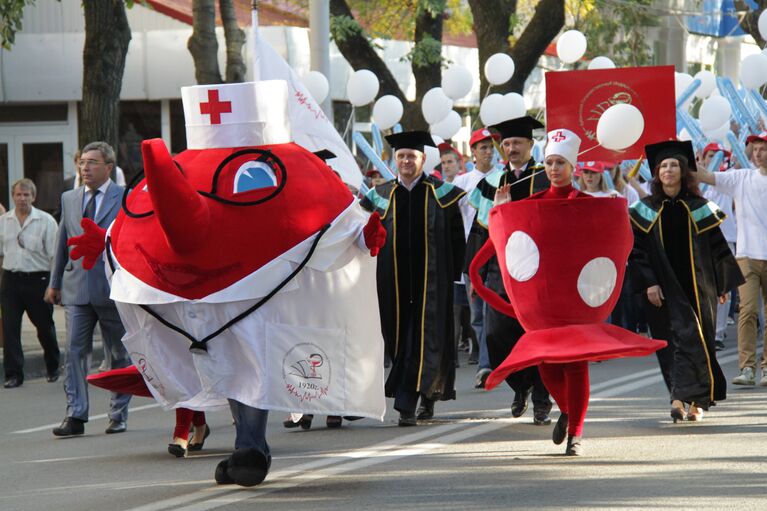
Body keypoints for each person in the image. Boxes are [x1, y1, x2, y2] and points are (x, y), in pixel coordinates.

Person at [480, 128, 666, 455]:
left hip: (579, 306)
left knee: (576, 366)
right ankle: (565, 409)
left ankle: (576, 434)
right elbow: (505, 242)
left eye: (560, 163)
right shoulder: (532, 204)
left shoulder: (590, 205)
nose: (554, 169)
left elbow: (618, 236)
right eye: (550, 162)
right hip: (545, 308)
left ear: (573, 168)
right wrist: (502, 210)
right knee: (547, 365)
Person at [629, 140, 743, 422]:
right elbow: (636, 252)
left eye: (674, 165)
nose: (668, 170)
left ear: (683, 171)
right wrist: (649, 283)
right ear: (657, 173)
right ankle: (679, 396)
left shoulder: (700, 206)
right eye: (663, 166)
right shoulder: (645, 209)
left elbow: (718, 246)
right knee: (671, 342)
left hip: (699, 285)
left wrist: (722, 284)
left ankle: (695, 402)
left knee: (696, 340)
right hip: (662, 288)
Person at [360, 130, 466, 426]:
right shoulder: (379, 197)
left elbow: (457, 238)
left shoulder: (441, 194)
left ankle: (407, 403)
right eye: (401, 156)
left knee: (424, 338)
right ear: (395, 160)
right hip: (391, 283)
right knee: (400, 340)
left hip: (432, 282)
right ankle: (427, 395)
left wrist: (456, 275)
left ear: (423, 159)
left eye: (412, 156)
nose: (406, 160)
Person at [465, 116, 553, 425]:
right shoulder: (490, 183)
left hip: (540, 272)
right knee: (496, 335)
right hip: (500, 271)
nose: (511, 148)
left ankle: (542, 397)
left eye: (517, 143)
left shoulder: (547, 177)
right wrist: (473, 275)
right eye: (506, 144)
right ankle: (521, 384)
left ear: (531, 145)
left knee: (538, 336)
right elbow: (479, 232)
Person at [46, 141, 132, 437]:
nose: (85, 167)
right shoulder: (69, 198)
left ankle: (118, 414)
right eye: (82, 162)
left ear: (109, 167)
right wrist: (54, 283)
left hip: (112, 288)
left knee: (119, 353)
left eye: (92, 162)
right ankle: (75, 415)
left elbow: (132, 242)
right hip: (77, 288)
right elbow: (62, 242)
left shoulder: (125, 197)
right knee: (74, 352)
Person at [696, 132, 767, 386]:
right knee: (747, 311)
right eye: (755, 149)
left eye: (763, 149)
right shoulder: (741, 178)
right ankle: (747, 368)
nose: (758, 153)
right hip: (747, 255)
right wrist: (686, 157)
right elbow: (705, 176)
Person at [454, 128, 503, 384]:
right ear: (472, 152)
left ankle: (486, 365)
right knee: (476, 317)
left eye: (490, 147)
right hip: (470, 257)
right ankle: (489, 360)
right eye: (482, 147)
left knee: (492, 312)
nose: (488, 151)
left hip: (495, 258)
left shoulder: (503, 178)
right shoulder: (461, 183)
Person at [0, 179, 60, 388]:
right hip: (11, 280)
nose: (22, 199)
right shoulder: (4, 221)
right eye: (18, 194)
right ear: (13, 196)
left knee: (44, 327)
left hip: (38, 280)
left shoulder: (45, 221)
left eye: (26, 195)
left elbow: (55, 256)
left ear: (33, 197)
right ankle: (13, 374)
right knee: (10, 329)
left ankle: (53, 365)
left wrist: (54, 285)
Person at [698, 142, 738, 351]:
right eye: (711, 155)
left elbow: (743, 160)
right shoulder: (693, 183)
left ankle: (717, 334)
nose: (714, 160)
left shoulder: (728, 181)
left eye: (719, 156)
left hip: (725, 240)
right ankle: (704, 331)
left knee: (723, 289)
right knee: (703, 289)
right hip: (700, 241)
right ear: (703, 159)